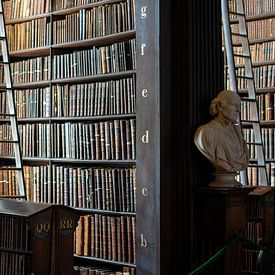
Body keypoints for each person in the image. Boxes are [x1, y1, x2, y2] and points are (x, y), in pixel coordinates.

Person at [194, 90, 249, 173]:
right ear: (220, 106)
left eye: (239, 106)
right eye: (234, 105)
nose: (238, 110)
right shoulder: (206, 132)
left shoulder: (237, 134)